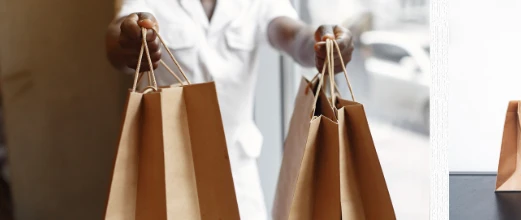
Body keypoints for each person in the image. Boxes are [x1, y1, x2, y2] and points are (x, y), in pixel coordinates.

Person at [104, 0, 354, 219]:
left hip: (239, 177)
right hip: (168, 173)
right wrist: (129, 41)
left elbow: (291, 35)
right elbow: (120, 36)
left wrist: (321, 44)